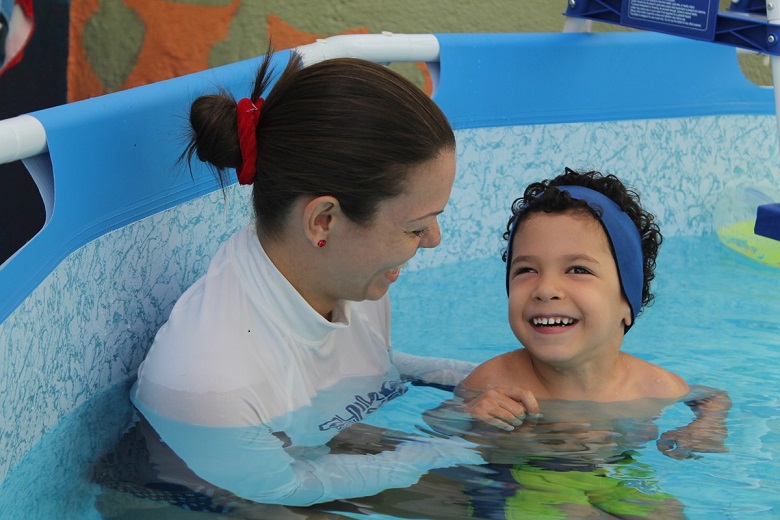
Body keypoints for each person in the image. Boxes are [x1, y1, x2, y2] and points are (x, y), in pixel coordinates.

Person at [127, 49, 495, 509]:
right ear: (323, 221)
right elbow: (282, 488)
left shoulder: (349, 276)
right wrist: (447, 449)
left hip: (313, 448)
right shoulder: (212, 382)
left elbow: (370, 366)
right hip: (221, 500)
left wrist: (475, 379)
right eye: (415, 227)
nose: (434, 240)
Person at [407, 168, 730, 518]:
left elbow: (711, 397)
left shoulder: (652, 384)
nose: (546, 289)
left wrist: (707, 425)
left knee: (668, 512)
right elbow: (438, 425)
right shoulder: (497, 380)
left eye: (578, 269)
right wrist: (473, 414)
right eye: (526, 270)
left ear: (627, 302)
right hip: (521, 480)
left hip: (610, 475)